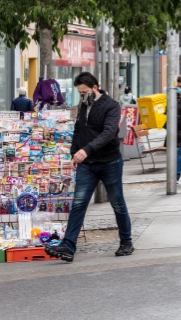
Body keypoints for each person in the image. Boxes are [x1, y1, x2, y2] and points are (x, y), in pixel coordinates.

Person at [45, 72, 132, 262]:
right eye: (80, 93)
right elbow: (79, 129)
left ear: (95, 87)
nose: (83, 96)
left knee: (117, 202)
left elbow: (109, 132)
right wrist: (74, 152)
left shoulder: (110, 105)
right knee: (78, 204)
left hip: (109, 161)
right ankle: (68, 247)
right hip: (87, 163)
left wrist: (87, 149)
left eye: (85, 92)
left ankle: (126, 241)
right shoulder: (84, 105)